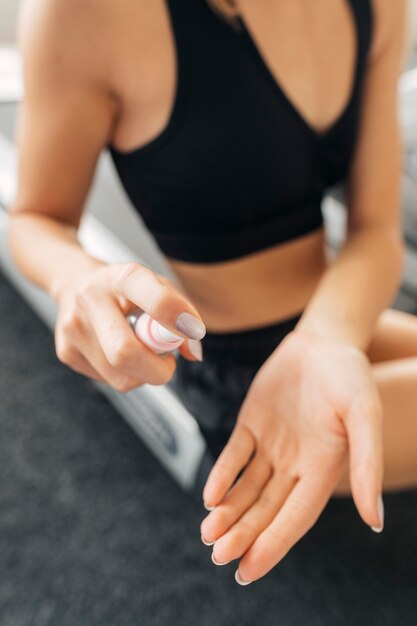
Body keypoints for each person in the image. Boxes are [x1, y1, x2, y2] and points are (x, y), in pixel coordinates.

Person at [7, 0, 414, 587]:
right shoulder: (81, 13)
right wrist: (75, 280)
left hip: (333, 326)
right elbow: (37, 219)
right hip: (244, 383)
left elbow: (375, 232)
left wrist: (326, 336)